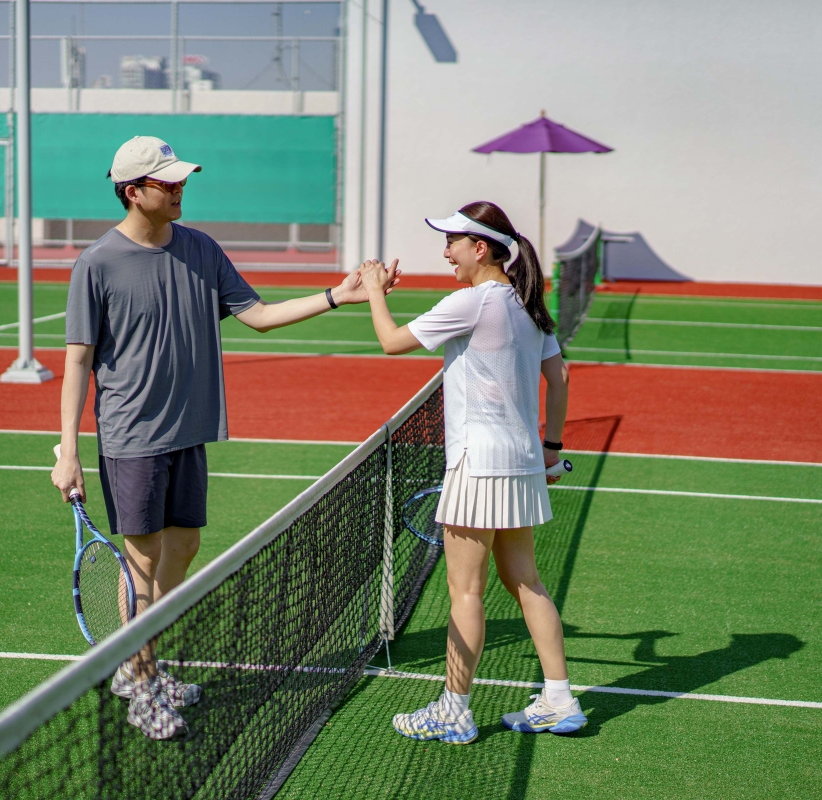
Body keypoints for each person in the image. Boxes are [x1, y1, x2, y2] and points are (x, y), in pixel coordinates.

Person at [50, 135, 388, 741]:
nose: (180, 188)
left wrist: (340, 296)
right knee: (142, 563)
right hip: (132, 435)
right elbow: (78, 360)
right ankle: (142, 685)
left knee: (183, 547)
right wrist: (69, 452)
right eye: (168, 182)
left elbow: (258, 315)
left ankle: (136, 661)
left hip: (190, 429)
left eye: (181, 179)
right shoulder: (96, 263)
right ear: (133, 192)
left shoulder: (201, 249)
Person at [357, 201, 583, 744]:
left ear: (479, 248)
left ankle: (454, 710)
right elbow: (560, 377)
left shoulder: (472, 301)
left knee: (465, 591)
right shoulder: (528, 303)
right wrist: (550, 449)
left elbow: (390, 342)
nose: (446, 253)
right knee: (526, 580)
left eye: (452, 243)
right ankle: (560, 699)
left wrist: (373, 290)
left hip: (477, 465)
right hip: (521, 462)